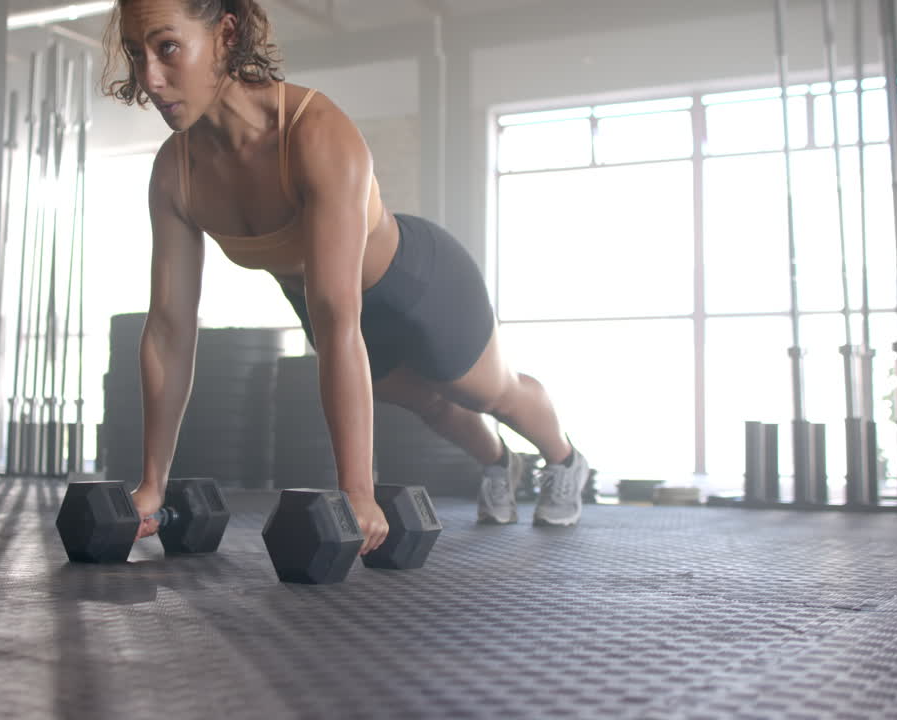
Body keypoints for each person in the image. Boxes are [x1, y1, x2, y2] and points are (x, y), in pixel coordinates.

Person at [104, 0, 589, 556]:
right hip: (322, 306)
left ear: (226, 34)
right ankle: (502, 465)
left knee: (483, 390)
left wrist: (358, 493)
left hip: (417, 287)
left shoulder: (314, 132)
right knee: (430, 404)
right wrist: (151, 485)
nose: (149, 77)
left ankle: (565, 459)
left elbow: (338, 317)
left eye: (167, 48)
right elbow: (168, 329)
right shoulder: (175, 171)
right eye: (135, 53)